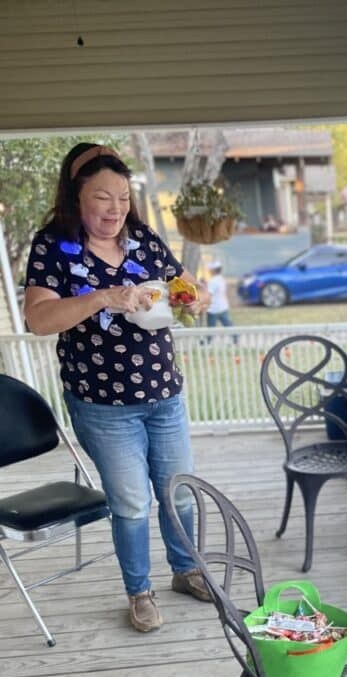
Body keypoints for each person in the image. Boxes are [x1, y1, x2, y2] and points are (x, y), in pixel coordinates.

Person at [24, 142, 212, 634]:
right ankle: (140, 591)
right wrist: (104, 296)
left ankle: (186, 570)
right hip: (103, 405)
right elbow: (40, 319)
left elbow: (188, 286)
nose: (115, 209)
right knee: (131, 503)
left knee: (179, 493)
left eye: (123, 198)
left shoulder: (143, 239)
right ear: (76, 197)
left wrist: (190, 296)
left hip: (163, 393)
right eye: (103, 198)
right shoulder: (53, 246)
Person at [205, 260, 233, 328]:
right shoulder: (221, 279)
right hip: (223, 307)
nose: (209, 271)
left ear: (213, 270)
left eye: (210, 269)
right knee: (229, 325)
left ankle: (209, 339)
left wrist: (204, 305)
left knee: (210, 329)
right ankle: (236, 338)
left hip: (213, 309)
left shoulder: (212, 281)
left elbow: (209, 295)